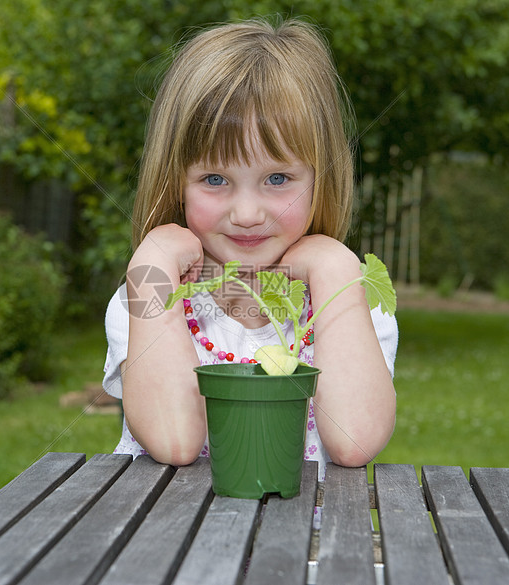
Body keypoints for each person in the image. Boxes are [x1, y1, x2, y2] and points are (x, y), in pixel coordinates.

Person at [103, 17, 397, 476]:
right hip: (171, 539)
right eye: (215, 179)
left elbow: (354, 441)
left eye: (277, 179)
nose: (246, 213)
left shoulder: (347, 300)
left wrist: (336, 268)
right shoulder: (147, 297)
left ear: (323, 177)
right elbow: (176, 440)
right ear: (176, 182)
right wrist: (154, 257)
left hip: (313, 541)